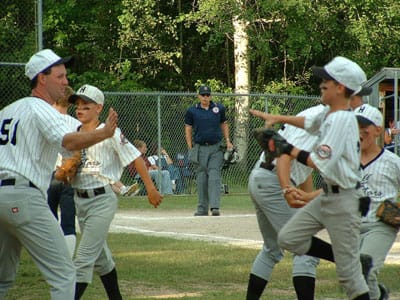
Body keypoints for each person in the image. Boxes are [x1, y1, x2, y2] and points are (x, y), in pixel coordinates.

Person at [0, 48, 118, 300]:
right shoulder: (38, 108)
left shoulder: (8, 111)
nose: (66, 82)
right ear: (42, 78)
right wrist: (103, 133)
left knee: (2, 279)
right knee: (65, 275)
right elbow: (68, 140)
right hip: (23, 197)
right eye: (60, 76)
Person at [250, 56, 371, 300]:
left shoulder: (339, 120)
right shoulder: (327, 114)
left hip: (340, 197)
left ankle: (353, 261)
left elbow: (310, 161)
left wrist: (287, 154)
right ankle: (354, 260)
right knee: (289, 241)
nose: (321, 84)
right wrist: (279, 118)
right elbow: (306, 125)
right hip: (284, 183)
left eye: (327, 81)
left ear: (341, 89)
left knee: (294, 250)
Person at [68, 84, 163, 300]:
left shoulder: (110, 132)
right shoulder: (73, 133)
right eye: (78, 105)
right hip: (79, 201)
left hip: (101, 200)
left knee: (83, 260)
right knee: (102, 260)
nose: (80, 108)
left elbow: (135, 156)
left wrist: (151, 188)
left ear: (98, 108)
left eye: (86, 105)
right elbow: (64, 169)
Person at [246, 104, 325, 300]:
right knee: (306, 250)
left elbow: (304, 165)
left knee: (272, 249)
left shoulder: (312, 113)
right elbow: (284, 153)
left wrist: (307, 202)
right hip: (274, 182)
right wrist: (285, 188)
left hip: (263, 178)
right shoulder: (322, 119)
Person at [353, 104, 397, 300]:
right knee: (353, 278)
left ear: (378, 130)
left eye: (364, 127)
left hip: (381, 224)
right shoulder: (347, 159)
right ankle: (379, 296)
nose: (359, 131)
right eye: (355, 126)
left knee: (366, 269)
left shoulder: (392, 162)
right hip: (351, 225)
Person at [184, 85, 233, 216]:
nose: (205, 97)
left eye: (207, 95)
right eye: (203, 95)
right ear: (198, 96)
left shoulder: (218, 108)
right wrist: (190, 147)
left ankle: (215, 207)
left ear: (210, 96)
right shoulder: (192, 111)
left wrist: (228, 140)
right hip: (199, 148)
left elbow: (224, 124)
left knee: (214, 174)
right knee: (201, 178)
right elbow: (188, 129)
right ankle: (202, 208)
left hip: (216, 147)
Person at [47, 85, 81, 258]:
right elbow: (80, 153)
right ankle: (67, 260)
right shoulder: (76, 124)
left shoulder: (44, 119)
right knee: (68, 221)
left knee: (48, 222)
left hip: (46, 175)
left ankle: (53, 259)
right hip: (68, 176)